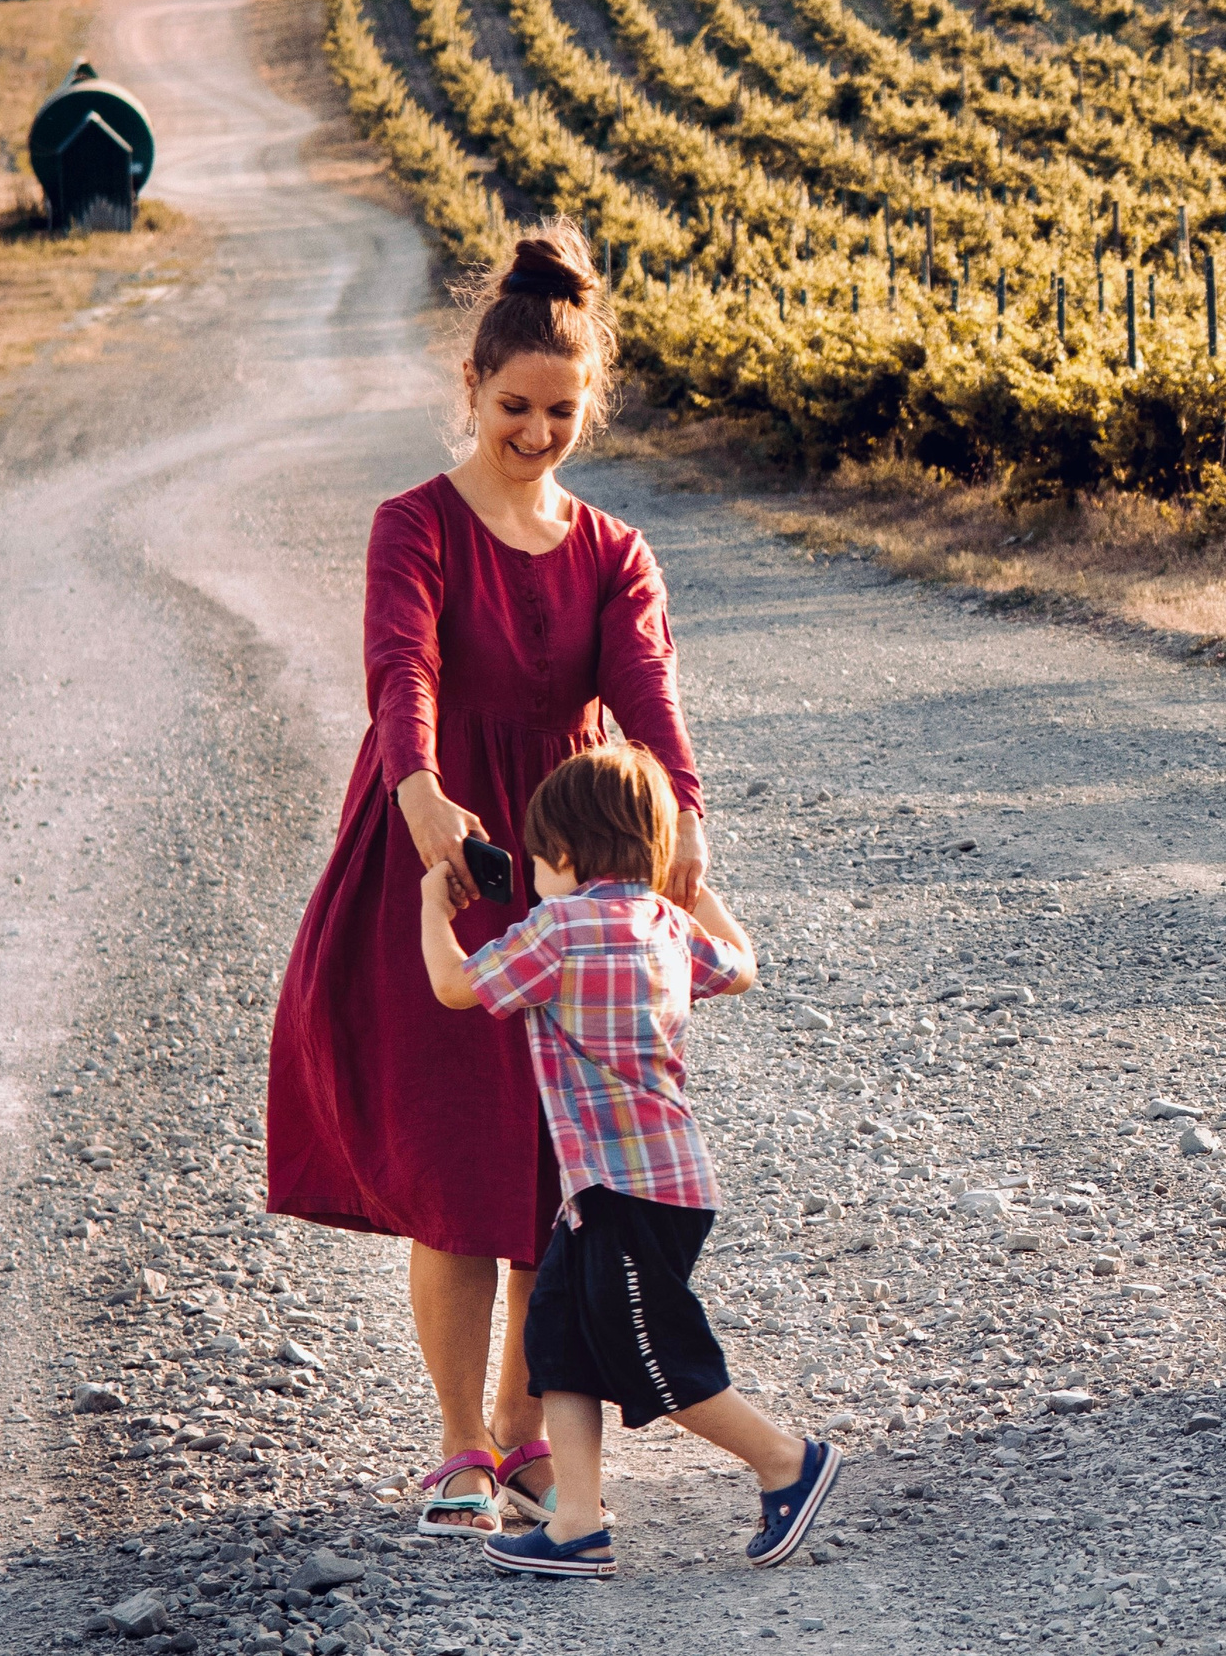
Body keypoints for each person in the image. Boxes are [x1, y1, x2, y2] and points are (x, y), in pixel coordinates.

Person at [264, 224, 713, 1538]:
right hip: (444, 851)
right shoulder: (413, 524)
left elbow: (650, 707)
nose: (535, 431)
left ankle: (527, 1439)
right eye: (515, 406)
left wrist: (684, 844)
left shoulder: (616, 552)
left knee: (556, 1166)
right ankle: (461, 1438)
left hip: (568, 860)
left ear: (592, 403)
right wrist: (419, 797)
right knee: (462, 1159)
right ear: (471, 389)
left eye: (562, 412)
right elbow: (401, 670)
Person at [419, 745, 841, 1579]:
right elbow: (744, 968)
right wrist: (697, 895)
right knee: (561, 1344)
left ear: (565, 857)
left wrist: (435, 906)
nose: (535, 874)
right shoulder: (667, 923)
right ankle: (576, 1522)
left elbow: (455, 987)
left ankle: (788, 1463)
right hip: (637, 1189)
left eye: (538, 859)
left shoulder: (560, 927)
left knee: (654, 1359)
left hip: (626, 1192)